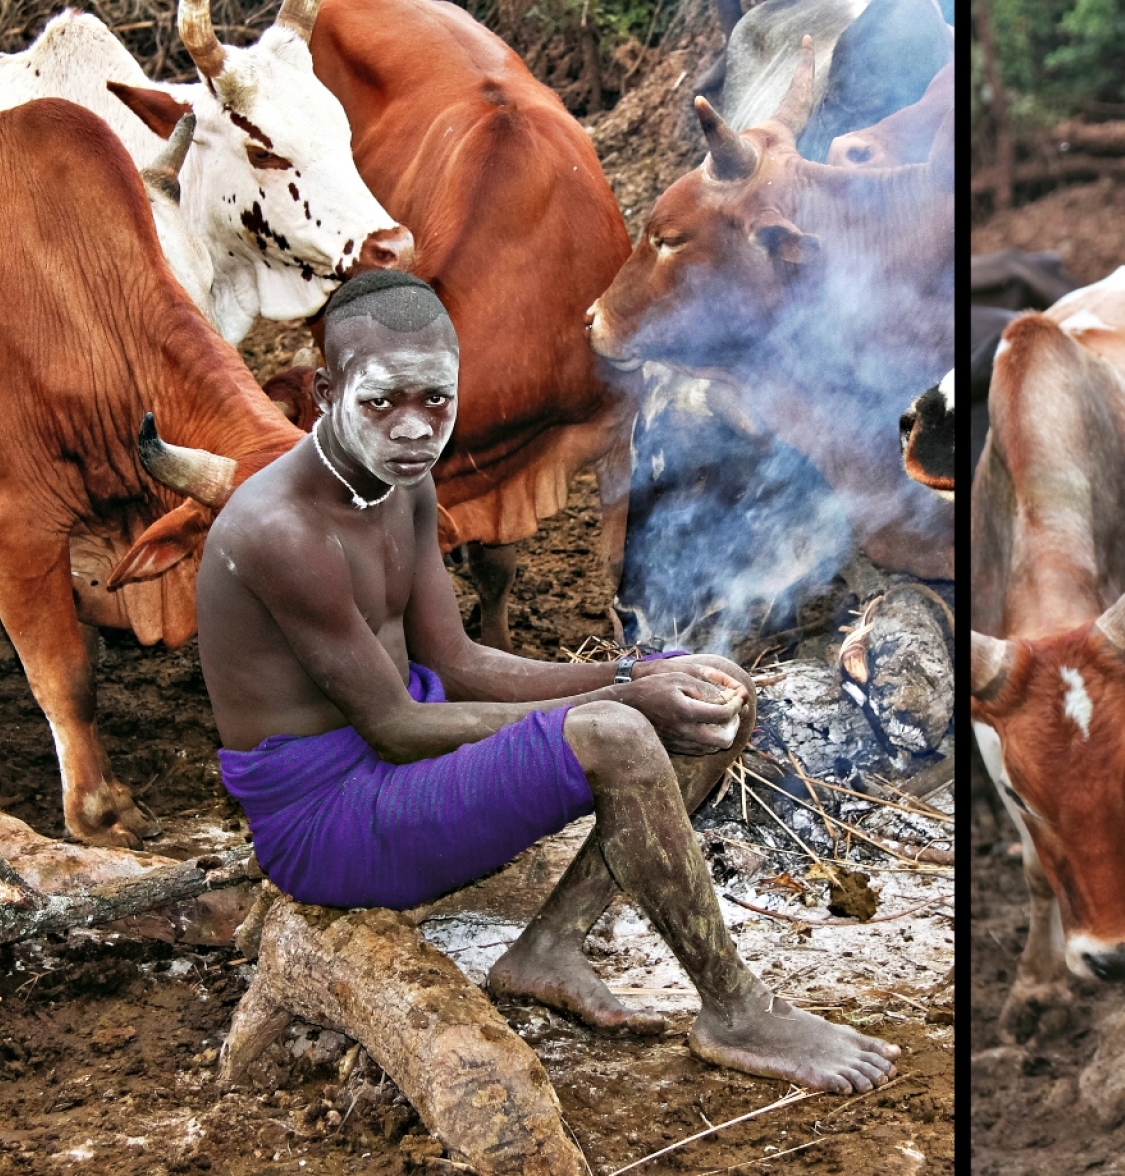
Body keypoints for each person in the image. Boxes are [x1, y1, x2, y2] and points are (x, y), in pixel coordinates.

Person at [197, 269, 897, 1093]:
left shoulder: (403, 481)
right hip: (330, 826)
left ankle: (549, 946)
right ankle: (736, 1008)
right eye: (381, 402)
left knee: (713, 689)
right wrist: (619, 700)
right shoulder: (280, 529)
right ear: (324, 390)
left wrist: (639, 668)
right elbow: (392, 725)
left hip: (406, 763)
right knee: (619, 732)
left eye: (436, 400)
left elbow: (457, 664)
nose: (415, 427)